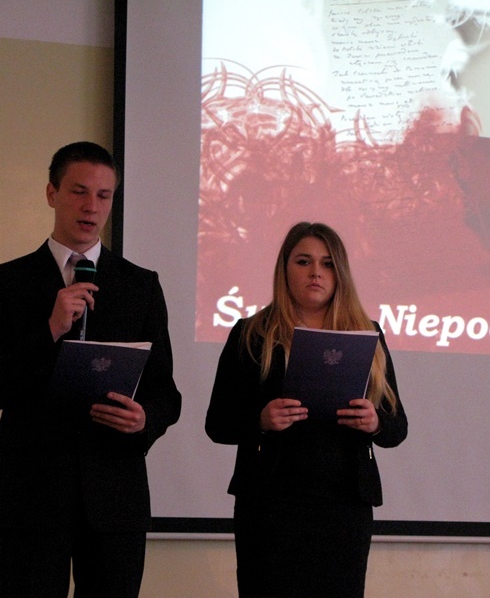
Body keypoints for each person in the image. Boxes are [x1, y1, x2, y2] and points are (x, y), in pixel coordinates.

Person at [0, 141, 182, 597]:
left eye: (104, 196)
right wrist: (50, 329)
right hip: (31, 495)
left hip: (115, 495)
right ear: (52, 193)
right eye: (79, 191)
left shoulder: (140, 285)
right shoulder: (8, 283)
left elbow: (165, 394)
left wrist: (143, 420)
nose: (91, 206)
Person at [205, 221, 408, 598]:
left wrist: (374, 421)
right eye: (303, 261)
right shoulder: (251, 332)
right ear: (284, 269)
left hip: (344, 506)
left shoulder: (367, 334)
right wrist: (261, 419)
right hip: (270, 504)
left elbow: (397, 428)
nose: (316, 272)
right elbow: (217, 423)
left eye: (327, 263)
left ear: (340, 272)